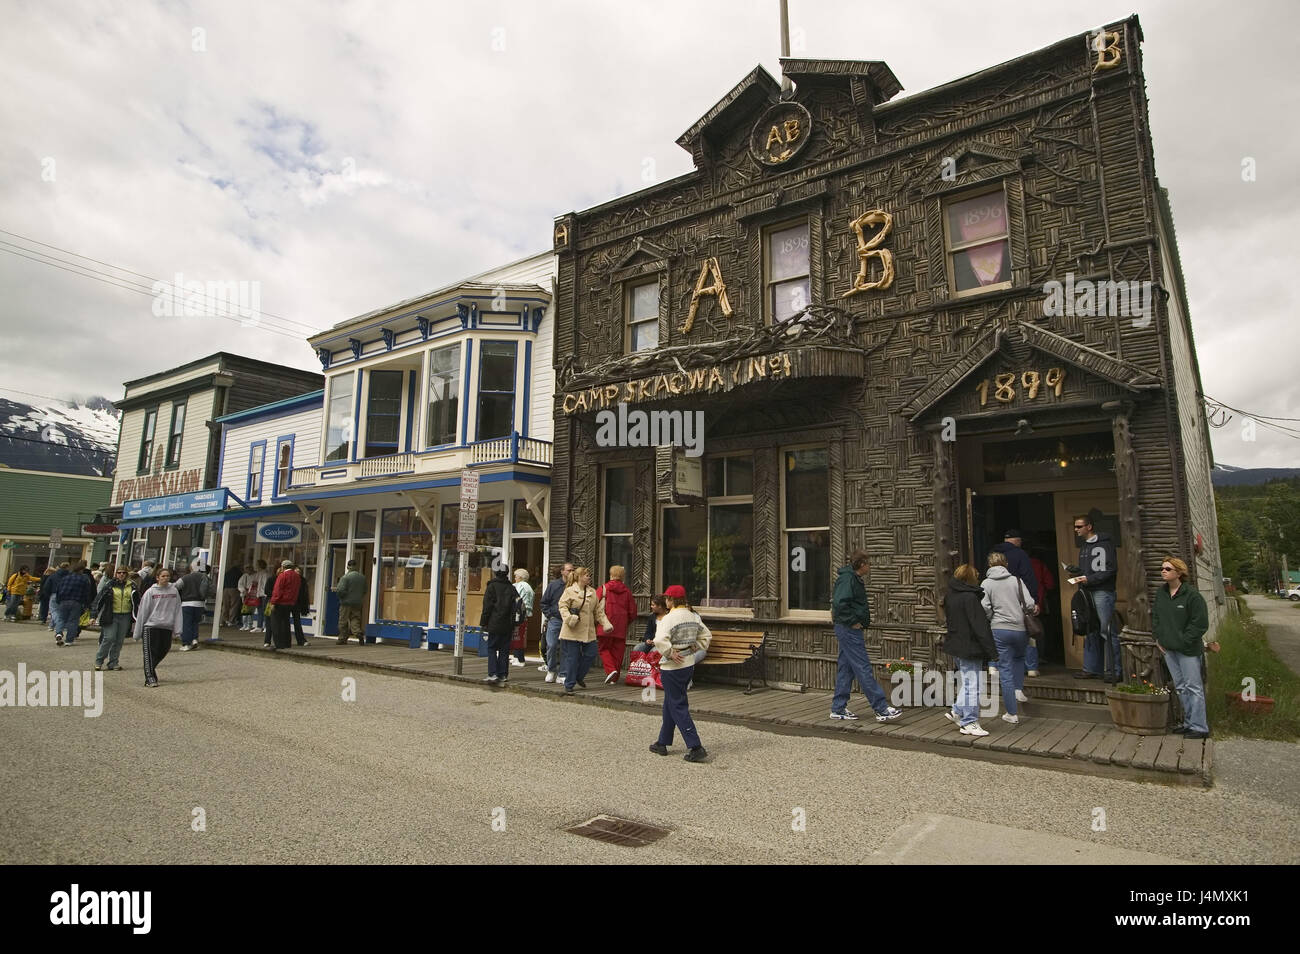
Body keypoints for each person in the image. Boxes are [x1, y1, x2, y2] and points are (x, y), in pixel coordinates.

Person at [828, 550, 902, 722]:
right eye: (868, 563)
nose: (870, 566)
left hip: (847, 628)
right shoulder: (848, 579)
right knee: (863, 667)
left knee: (846, 669)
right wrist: (853, 621)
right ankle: (881, 709)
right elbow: (839, 604)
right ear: (861, 565)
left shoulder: (851, 578)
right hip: (849, 629)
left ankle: (838, 708)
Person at [1154, 556, 1216, 739]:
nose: (1163, 571)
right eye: (1162, 568)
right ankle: (1189, 723)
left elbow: (1200, 623)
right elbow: (1156, 617)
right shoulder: (1161, 593)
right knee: (1180, 686)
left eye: (1168, 569)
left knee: (1193, 686)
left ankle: (1200, 727)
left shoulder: (1192, 595)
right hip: (1168, 649)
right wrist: (1159, 638)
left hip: (1187, 650)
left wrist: (1183, 641)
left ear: (1179, 573)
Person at [649, 584, 711, 762]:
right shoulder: (693, 616)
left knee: (677, 705)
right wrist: (695, 647)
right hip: (688, 663)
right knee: (671, 701)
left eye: (666, 598)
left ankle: (695, 746)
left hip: (672, 665)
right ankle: (662, 742)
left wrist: (669, 652)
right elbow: (706, 636)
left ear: (670, 600)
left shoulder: (669, 618)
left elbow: (659, 639)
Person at [941, 564, 998, 736]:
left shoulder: (951, 596)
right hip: (970, 646)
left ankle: (957, 711)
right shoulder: (970, 598)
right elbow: (980, 627)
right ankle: (969, 722)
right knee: (973, 685)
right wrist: (992, 652)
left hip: (957, 645)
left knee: (968, 683)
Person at [981, 551, 1035, 724]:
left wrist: (992, 617)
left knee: (1004, 669)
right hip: (1020, 628)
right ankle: (1019, 690)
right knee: (1019, 658)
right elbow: (1029, 603)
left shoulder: (987, 583)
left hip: (999, 628)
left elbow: (985, 607)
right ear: (1005, 564)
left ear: (990, 565)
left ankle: (1012, 713)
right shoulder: (1016, 580)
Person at [1069, 513, 1119, 682]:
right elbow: (1091, 568)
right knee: (1090, 629)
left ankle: (1113, 670)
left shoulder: (1103, 544)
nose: (1076, 529)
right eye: (1075, 526)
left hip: (1102, 591)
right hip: (1088, 591)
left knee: (1107, 630)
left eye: (1079, 526)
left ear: (1089, 527)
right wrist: (1077, 572)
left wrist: (1089, 578)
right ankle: (1091, 668)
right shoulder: (1084, 547)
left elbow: (1109, 568)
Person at [558, 566, 611, 696]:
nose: (589, 577)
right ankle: (569, 684)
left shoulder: (592, 592)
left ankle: (578, 676)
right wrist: (569, 618)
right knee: (572, 658)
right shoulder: (570, 591)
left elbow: (598, 611)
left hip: (588, 631)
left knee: (591, 653)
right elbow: (562, 606)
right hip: (572, 630)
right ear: (580, 577)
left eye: (589, 575)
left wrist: (605, 624)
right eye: (586, 575)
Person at [134, 567, 181, 687]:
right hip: (151, 626)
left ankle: (149, 667)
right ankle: (150, 678)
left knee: (164, 649)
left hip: (167, 625)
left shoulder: (174, 591)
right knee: (150, 652)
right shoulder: (151, 592)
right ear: (157, 578)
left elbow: (177, 609)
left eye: (168, 576)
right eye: (163, 576)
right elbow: (143, 611)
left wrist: (178, 628)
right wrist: (138, 631)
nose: (165, 578)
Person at [595, 565, 638, 684]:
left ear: (611, 575)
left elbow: (595, 606)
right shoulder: (627, 592)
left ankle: (611, 670)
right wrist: (625, 622)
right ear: (623, 576)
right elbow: (633, 612)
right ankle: (614, 678)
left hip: (605, 625)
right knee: (618, 652)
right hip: (621, 626)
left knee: (604, 649)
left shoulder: (603, 588)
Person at [480, 566, 518, 685]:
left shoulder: (491, 587)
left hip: (494, 622)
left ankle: (493, 673)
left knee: (491, 648)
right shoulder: (511, 588)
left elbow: (487, 607)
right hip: (508, 623)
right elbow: (516, 605)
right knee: (504, 650)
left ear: (496, 573)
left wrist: (483, 622)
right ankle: (503, 674)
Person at [93, 566, 135, 671]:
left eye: (124, 573)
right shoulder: (109, 585)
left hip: (125, 615)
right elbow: (98, 600)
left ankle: (113, 662)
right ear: (116, 574)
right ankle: (99, 660)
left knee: (119, 640)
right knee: (109, 638)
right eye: (119, 573)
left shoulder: (132, 586)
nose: (121, 575)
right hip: (111, 615)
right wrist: (93, 615)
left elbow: (137, 601)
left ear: (127, 574)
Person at [537, 563, 572, 682]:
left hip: (569, 621)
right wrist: (550, 615)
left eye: (572, 570)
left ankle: (562, 673)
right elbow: (544, 602)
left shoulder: (574, 586)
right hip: (555, 619)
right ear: (562, 571)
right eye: (568, 570)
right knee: (551, 645)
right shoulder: (554, 585)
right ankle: (551, 670)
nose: (571, 572)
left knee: (565, 648)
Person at [53, 559, 95, 646]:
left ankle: (59, 633)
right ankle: (69, 640)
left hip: (63, 601)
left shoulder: (65, 578)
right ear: (81, 570)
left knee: (61, 619)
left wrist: (58, 600)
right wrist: (87, 604)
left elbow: (58, 590)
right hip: (76, 602)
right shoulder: (84, 579)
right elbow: (86, 593)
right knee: (73, 621)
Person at [176, 564, 211, 650]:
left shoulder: (185, 577)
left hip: (187, 603)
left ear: (191, 568)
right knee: (195, 622)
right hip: (200, 604)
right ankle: (194, 639)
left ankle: (186, 643)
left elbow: (176, 586)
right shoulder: (204, 577)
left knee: (186, 623)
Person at [334, 559, 368, 645]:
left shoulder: (345, 577)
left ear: (348, 566)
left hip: (346, 602)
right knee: (355, 619)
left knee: (343, 621)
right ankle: (358, 632)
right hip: (357, 602)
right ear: (356, 566)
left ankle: (342, 638)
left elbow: (340, 590)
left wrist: (341, 597)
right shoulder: (362, 577)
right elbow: (365, 590)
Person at [267, 560, 300, 650]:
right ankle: (287, 642)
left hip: (280, 602)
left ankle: (278, 644)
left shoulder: (283, 576)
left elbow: (278, 590)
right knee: (286, 623)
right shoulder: (297, 576)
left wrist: (273, 602)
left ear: (283, 567)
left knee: (276, 624)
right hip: (290, 602)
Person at [510, 568, 534, 668]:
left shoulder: (522, 586)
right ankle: (516, 657)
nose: (515, 578)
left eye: (516, 576)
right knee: (518, 635)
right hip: (524, 614)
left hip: (520, 614)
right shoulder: (526, 586)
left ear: (520, 577)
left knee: (518, 636)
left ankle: (520, 659)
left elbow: (517, 600)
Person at [291, 564, 311, 647]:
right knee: (283, 621)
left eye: (299, 571)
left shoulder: (302, 580)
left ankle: (301, 640)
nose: (298, 573)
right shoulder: (290, 579)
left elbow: (304, 594)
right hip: (288, 601)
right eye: (296, 571)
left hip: (297, 602)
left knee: (297, 622)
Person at [221, 562, 243, 627]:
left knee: (225, 605)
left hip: (225, 589)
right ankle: (231, 620)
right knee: (234, 605)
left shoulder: (227, 573)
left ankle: (224, 620)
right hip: (234, 589)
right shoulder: (239, 573)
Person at [237, 564, 258, 631]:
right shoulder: (244, 576)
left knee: (251, 610)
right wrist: (243, 590)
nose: (248, 570)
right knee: (245, 610)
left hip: (253, 594)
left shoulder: (256, 575)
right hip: (245, 595)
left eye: (249, 568)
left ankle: (250, 624)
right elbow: (240, 584)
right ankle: (244, 624)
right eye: (247, 568)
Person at [253, 560, 270, 635]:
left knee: (265, 611)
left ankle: (266, 626)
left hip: (264, 594)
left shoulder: (266, 574)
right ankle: (259, 626)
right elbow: (254, 582)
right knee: (260, 610)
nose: (256, 566)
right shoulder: (258, 574)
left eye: (257, 565)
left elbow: (265, 584)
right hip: (258, 594)